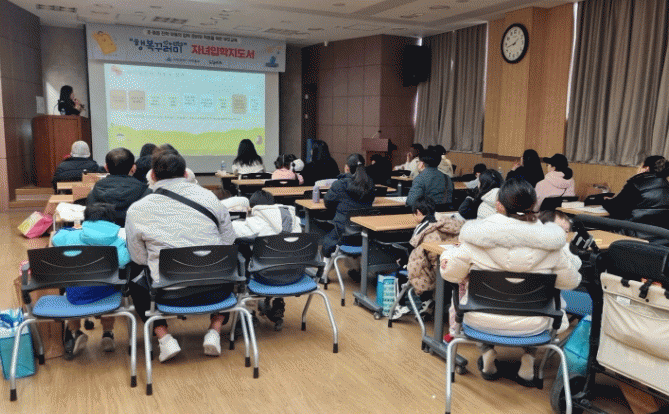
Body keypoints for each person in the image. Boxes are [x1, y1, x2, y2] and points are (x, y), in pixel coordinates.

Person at [440, 177, 581, 387]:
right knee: (544, 305)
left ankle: (487, 353)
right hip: (534, 325)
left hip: (480, 320)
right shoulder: (553, 243)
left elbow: (451, 274)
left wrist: (448, 258)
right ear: (534, 205)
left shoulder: (475, 237)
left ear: (499, 205)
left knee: (471, 299)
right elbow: (570, 282)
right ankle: (529, 358)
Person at [125, 149, 236, 362]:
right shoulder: (210, 198)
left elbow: (139, 258)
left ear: (152, 176)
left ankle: (164, 338)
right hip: (217, 291)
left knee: (136, 273)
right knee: (230, 263)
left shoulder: (137, 210)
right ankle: (214, 330)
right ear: (186, 174)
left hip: (168, 294)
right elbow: (229, 242)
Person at [51, 203, 130, 359]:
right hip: (107, 298)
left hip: (76, 296)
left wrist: (73, 229)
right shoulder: (119, 241)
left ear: (85, 220)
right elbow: (123, 261)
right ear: (112, 221)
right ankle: (107, 333)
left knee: (73, 285)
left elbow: (56, 238)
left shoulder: (71, 237)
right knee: (111, 285)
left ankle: (76, 332)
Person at [392, 196, 464, 320]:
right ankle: (427, 302)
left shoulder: (423, 230)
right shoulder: (445, 224)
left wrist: (402, 261)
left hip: (432, 271)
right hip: (451, 267)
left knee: (401, 272)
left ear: (418, 212)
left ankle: (401, 306)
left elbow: (414, 252)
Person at [321, 153, 376, 258]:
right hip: (364, 234)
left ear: (347, 168)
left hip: (342, 235)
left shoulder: (339, 184)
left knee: (326, 239)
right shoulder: (370, 185)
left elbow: (327, 203)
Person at [86, 148, 150, 226]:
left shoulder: (94, 192)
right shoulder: (145, 191)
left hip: (104, 232)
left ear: (106, 167)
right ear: (133, 168)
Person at [602, 155, 669, 229]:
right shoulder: (666, 185)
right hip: (659, 233)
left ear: (646, 168)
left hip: (632, 231)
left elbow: (616, 209)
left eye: (640, 166)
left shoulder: (636, 184)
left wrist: (604, 201)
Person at [232, 190, 302, 239]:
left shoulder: (253, 224)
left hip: (266, 256)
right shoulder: (295, 220)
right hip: (293, 255)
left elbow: (232, 230)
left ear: (253, 207)